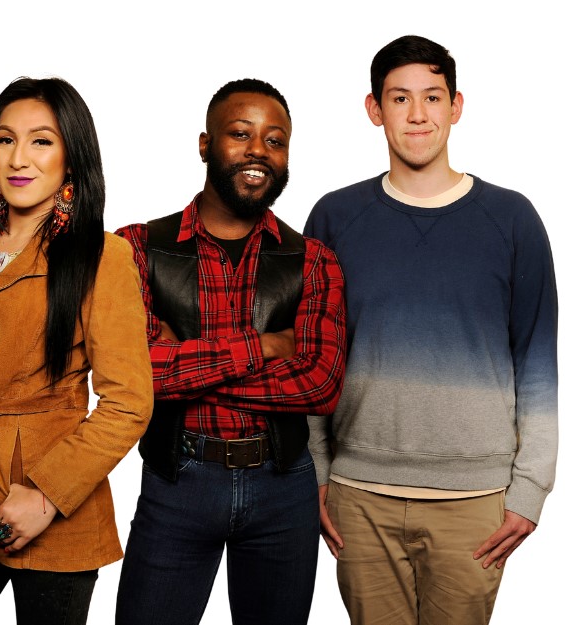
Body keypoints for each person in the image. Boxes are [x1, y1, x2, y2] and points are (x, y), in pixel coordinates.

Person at [305, 35, 556, 625]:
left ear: (456, 106)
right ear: (375, 110)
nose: (418, 114)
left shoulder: (512, 219)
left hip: (475, 500)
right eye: (400, 98)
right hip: (359, 495)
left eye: (432, 97)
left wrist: (531, 490)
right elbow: (314, 357)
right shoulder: (335, 218)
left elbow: (538, 362)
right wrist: (314, 473)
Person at [0, 77, 152, 625]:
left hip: (54, 511)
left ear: (71, 156)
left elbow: (128, 404)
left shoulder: (102, 256)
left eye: (41, 141)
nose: (19, 158)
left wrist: (45, 496)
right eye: (5, 139)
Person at [112, 79, 348, 625]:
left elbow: (319, 384)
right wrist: (265, 346)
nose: (258, 150)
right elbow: (134, 374)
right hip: (177, 481)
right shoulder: (136, 248)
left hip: (284, 487)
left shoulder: (314, 260)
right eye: (240, 134)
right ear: (205, 144)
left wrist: (183, 364)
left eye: (275, 140)